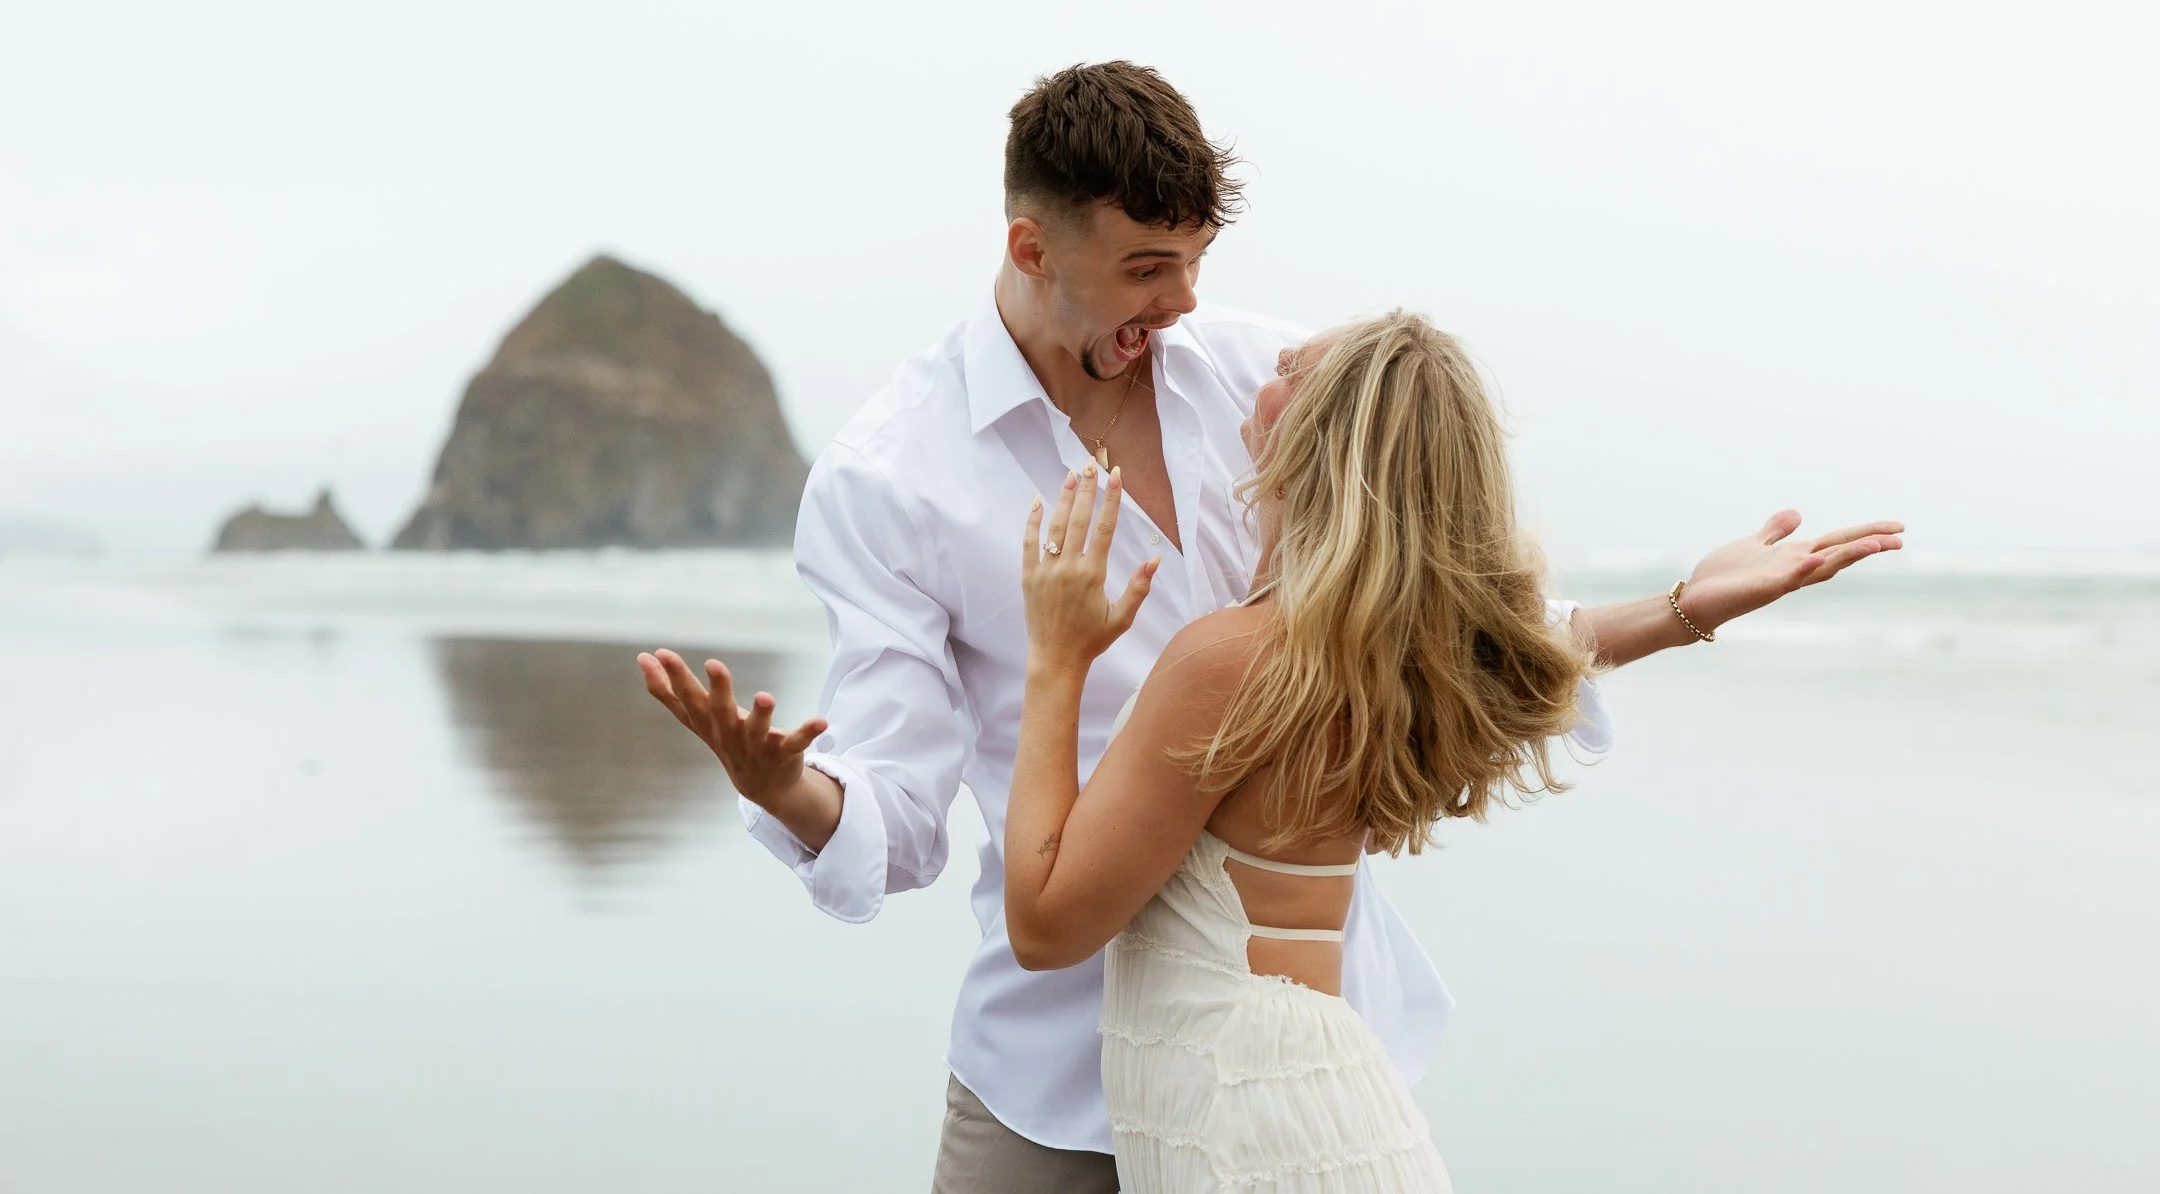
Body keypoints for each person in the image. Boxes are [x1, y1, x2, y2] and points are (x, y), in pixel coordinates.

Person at [637, 61, 1903, 1192]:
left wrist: (1680, 609)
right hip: (1051, 1066)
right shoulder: (890, 476)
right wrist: (788, 785)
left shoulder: (1267, 378)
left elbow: (1431, 620)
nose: (1185, 301)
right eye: (1146, 266)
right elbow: (896, 816)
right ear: (1032, 248)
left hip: (1284, 1050)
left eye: (1195, 259)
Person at [1007, 313, 1592, 1190]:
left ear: (1317, 435)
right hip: (1304, 1110)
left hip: (1250, 1123)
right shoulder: (1370, 659)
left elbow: (1045, 924)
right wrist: (1683, 609)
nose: (1259, 374)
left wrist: (1056, 658)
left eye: (1287, 368)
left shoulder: (1230, 661)